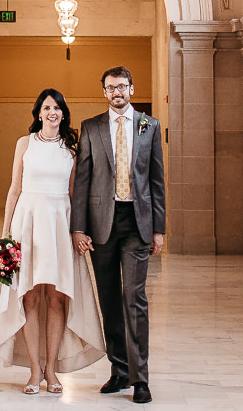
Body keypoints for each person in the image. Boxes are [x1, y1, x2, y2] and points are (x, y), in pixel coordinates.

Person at [0, 88, 106, 394]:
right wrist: (5, 235)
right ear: (39, 113)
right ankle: (33, 372)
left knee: (57, 298)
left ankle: (52, 370)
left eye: (57, 107)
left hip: (59, 223)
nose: (52, 112)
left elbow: (75, 194)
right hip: (27, 223)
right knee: (30, 296)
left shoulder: (71, 149)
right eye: (47, 107)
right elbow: (14, 189)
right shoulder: (24, 144)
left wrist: (80, 231)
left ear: (63, 113)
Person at [70, 67, 165, 406]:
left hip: (137, 223)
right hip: (101, 224)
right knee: (109, 299)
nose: (117, 92)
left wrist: (159, 229)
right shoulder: (91, 127)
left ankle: (141, 379)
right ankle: (119, 370)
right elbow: (82, 182)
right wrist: (78, 228)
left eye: (122, 86)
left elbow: (156, 180)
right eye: (110, 87)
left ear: (131, 88)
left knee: (134, 298)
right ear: (104, 92)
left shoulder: (148, 126)